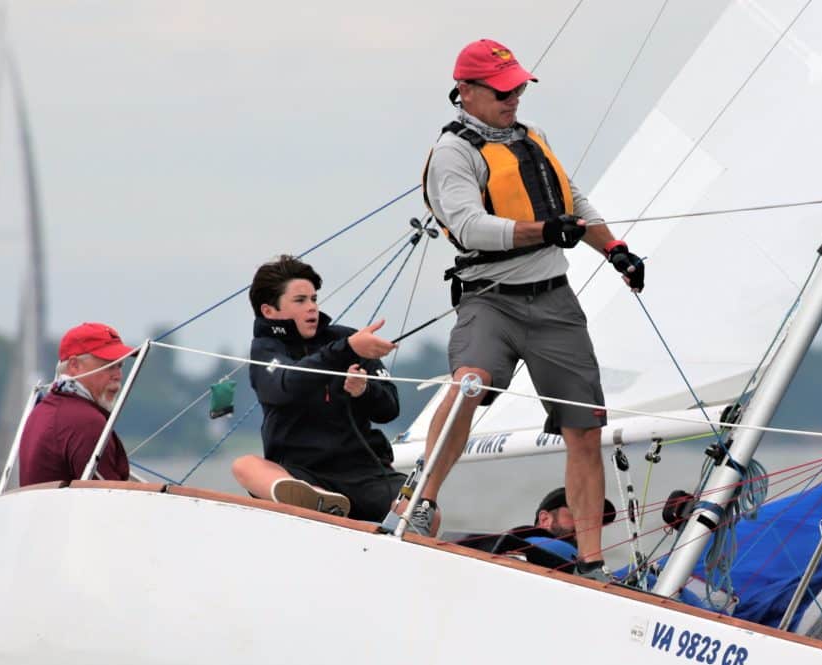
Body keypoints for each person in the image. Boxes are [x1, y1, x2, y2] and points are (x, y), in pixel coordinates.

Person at [415, 39, 644, 582]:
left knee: (585, 429)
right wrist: (543, 230)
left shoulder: (531, 136)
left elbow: (573, 201)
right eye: (502, 90)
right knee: (469, 381)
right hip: (490, 301)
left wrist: (615, 250)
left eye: (518, 86)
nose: (513, 97)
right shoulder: (453, 154)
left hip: (554, 303)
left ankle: (590, 562)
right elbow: (470, 226)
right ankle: (422, 501)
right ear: (466, 92)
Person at [231, 254, 406, 522]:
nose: (312, 307)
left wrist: (363, 391)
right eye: (300, 301)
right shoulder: (266, 350)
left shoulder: (349, 338)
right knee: (244, 466)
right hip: (302, 475)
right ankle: (316, 502)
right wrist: (345, 351)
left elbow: (389, 409)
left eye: (313, 299)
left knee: (424, 510)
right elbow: (284, 387)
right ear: (269, 311)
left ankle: (331, 511)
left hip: (365, 474)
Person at [19, 322, 135, 486]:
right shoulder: (86, 421)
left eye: (120, 365)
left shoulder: (41, 410)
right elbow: (110, 498)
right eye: (109, 365)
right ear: (74, 365)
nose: (118, 375)